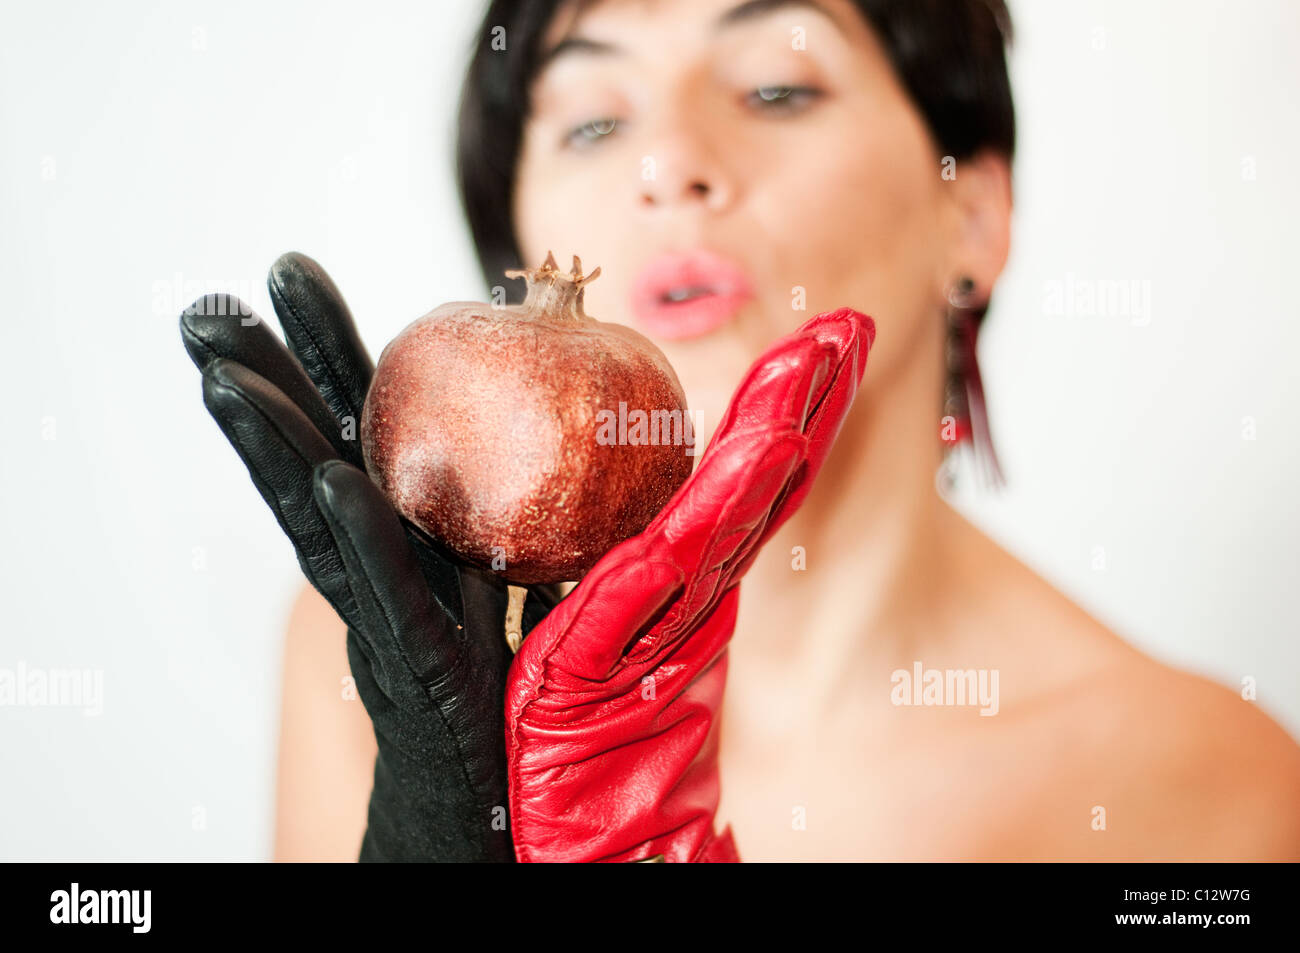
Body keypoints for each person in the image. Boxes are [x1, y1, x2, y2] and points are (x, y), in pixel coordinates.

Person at [253, 0, 1300, 861]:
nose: (666, 160)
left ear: (969, 215)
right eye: (592, 121)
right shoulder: (393, 659)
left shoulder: (1207, 787)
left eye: (776, 88)